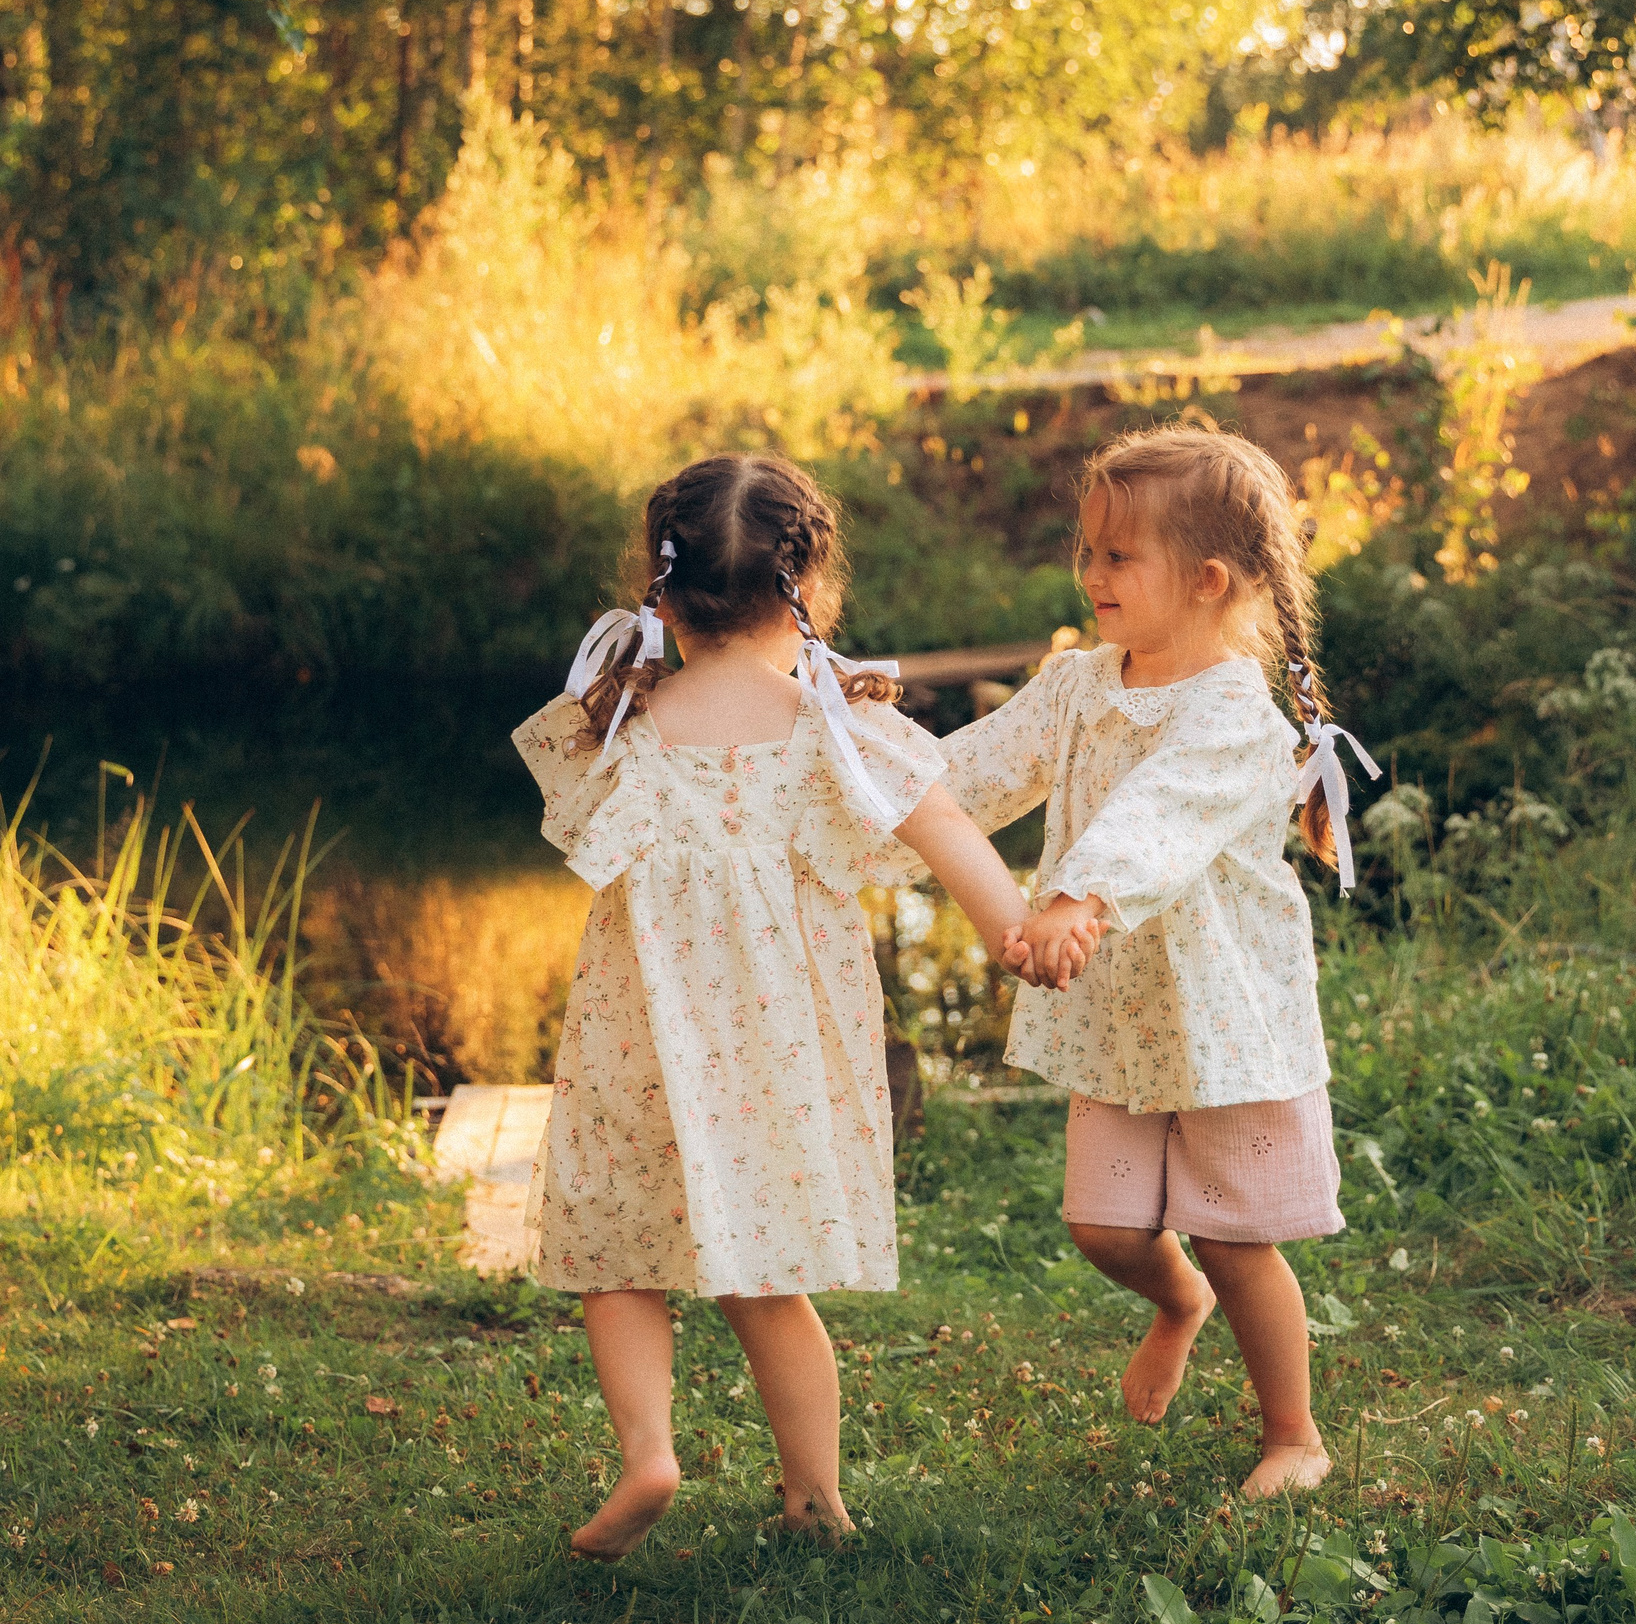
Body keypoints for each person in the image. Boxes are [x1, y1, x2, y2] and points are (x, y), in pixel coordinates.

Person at [513, 453, 1094, 1561]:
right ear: (810, 585)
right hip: (776, 1049)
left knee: (616, 1257)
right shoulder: (839, 733)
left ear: (663, 591)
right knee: (768, 1279)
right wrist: (1014, 932)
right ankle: (813, 1498)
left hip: (635, 1041)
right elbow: (949, 833)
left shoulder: (617, 729)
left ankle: (648, 1456)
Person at [951, 422, 1374, 1500]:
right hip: (1118, 1014)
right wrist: (879, 771)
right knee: (1102, 1226)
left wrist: (1077, 900)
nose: (1090, 573)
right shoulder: (1080, 682)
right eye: (1086, 550)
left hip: (1222, 1019)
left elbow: (1158, 818)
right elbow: (977, 769)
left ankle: (1293, 1434)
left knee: (1236, 1241)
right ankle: (1171, 1304)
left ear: (1206, 579)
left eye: (1116, 556)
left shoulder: (1232, 712)